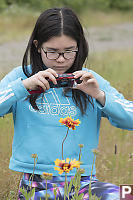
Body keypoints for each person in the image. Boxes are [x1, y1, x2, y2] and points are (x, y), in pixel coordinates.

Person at [0, 7, 133, 200]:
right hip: (36, 185)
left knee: (127, 195)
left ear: (79, 46)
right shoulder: (22, 77)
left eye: (69, 51)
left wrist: (99, 95)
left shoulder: (90, 80)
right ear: (38, 46)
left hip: (84, 182)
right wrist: (23, 87)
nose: (61, 60)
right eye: (52, 52)